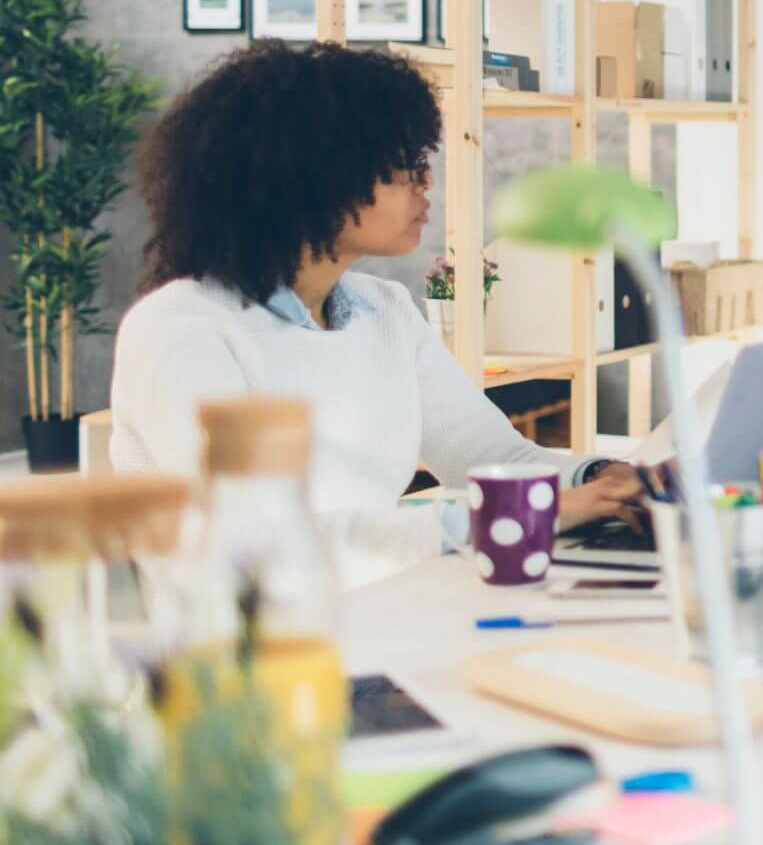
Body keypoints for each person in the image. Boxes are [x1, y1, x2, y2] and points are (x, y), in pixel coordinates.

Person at [110, 41, 644, 585]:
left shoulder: (383, 310)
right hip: (256, 633)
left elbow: (489, 454)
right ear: (311, 179)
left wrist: (607, 478)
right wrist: (527, 514)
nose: (426, 183)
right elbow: (261, 538)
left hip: (382, 607)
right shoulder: (183, 329)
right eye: (403, 167)